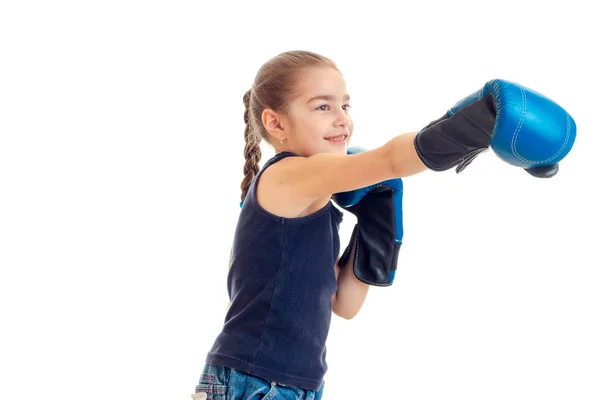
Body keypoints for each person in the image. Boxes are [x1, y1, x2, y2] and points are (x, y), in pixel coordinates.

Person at [192, 50, 575, 400]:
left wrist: (378, 218)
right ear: (275, 123)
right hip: (253, 380)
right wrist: (476, 124)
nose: (342, 118)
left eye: (345, 104)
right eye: (322, 106)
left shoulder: (316, 203)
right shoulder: (289, 175)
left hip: (296, 382)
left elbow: (345, 305)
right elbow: (390, 159)